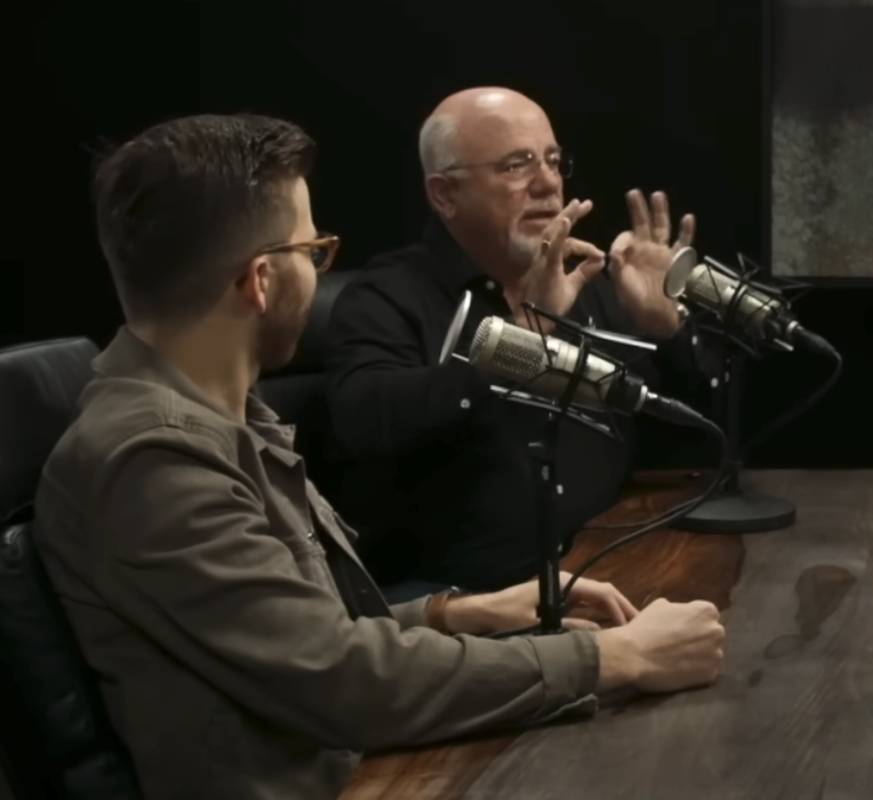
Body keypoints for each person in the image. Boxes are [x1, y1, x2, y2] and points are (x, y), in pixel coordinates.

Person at [34, 113, 726, 799]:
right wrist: (614, 658)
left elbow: (292, 638)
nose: (319, 272)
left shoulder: (219, 419)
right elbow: (340, 680)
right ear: (261, 281)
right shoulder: (153, 458)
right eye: (315, 253)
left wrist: (454, 613)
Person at [327, 87, 703, 595]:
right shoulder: (386, 298)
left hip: (611, 560)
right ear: (445, 194)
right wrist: (526, 341)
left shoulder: (590, 284)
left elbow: (702, 441)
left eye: (552, 161)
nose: (549, 183)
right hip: (465, 607)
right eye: (515, 166)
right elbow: (365, 423)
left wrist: (667, 328)